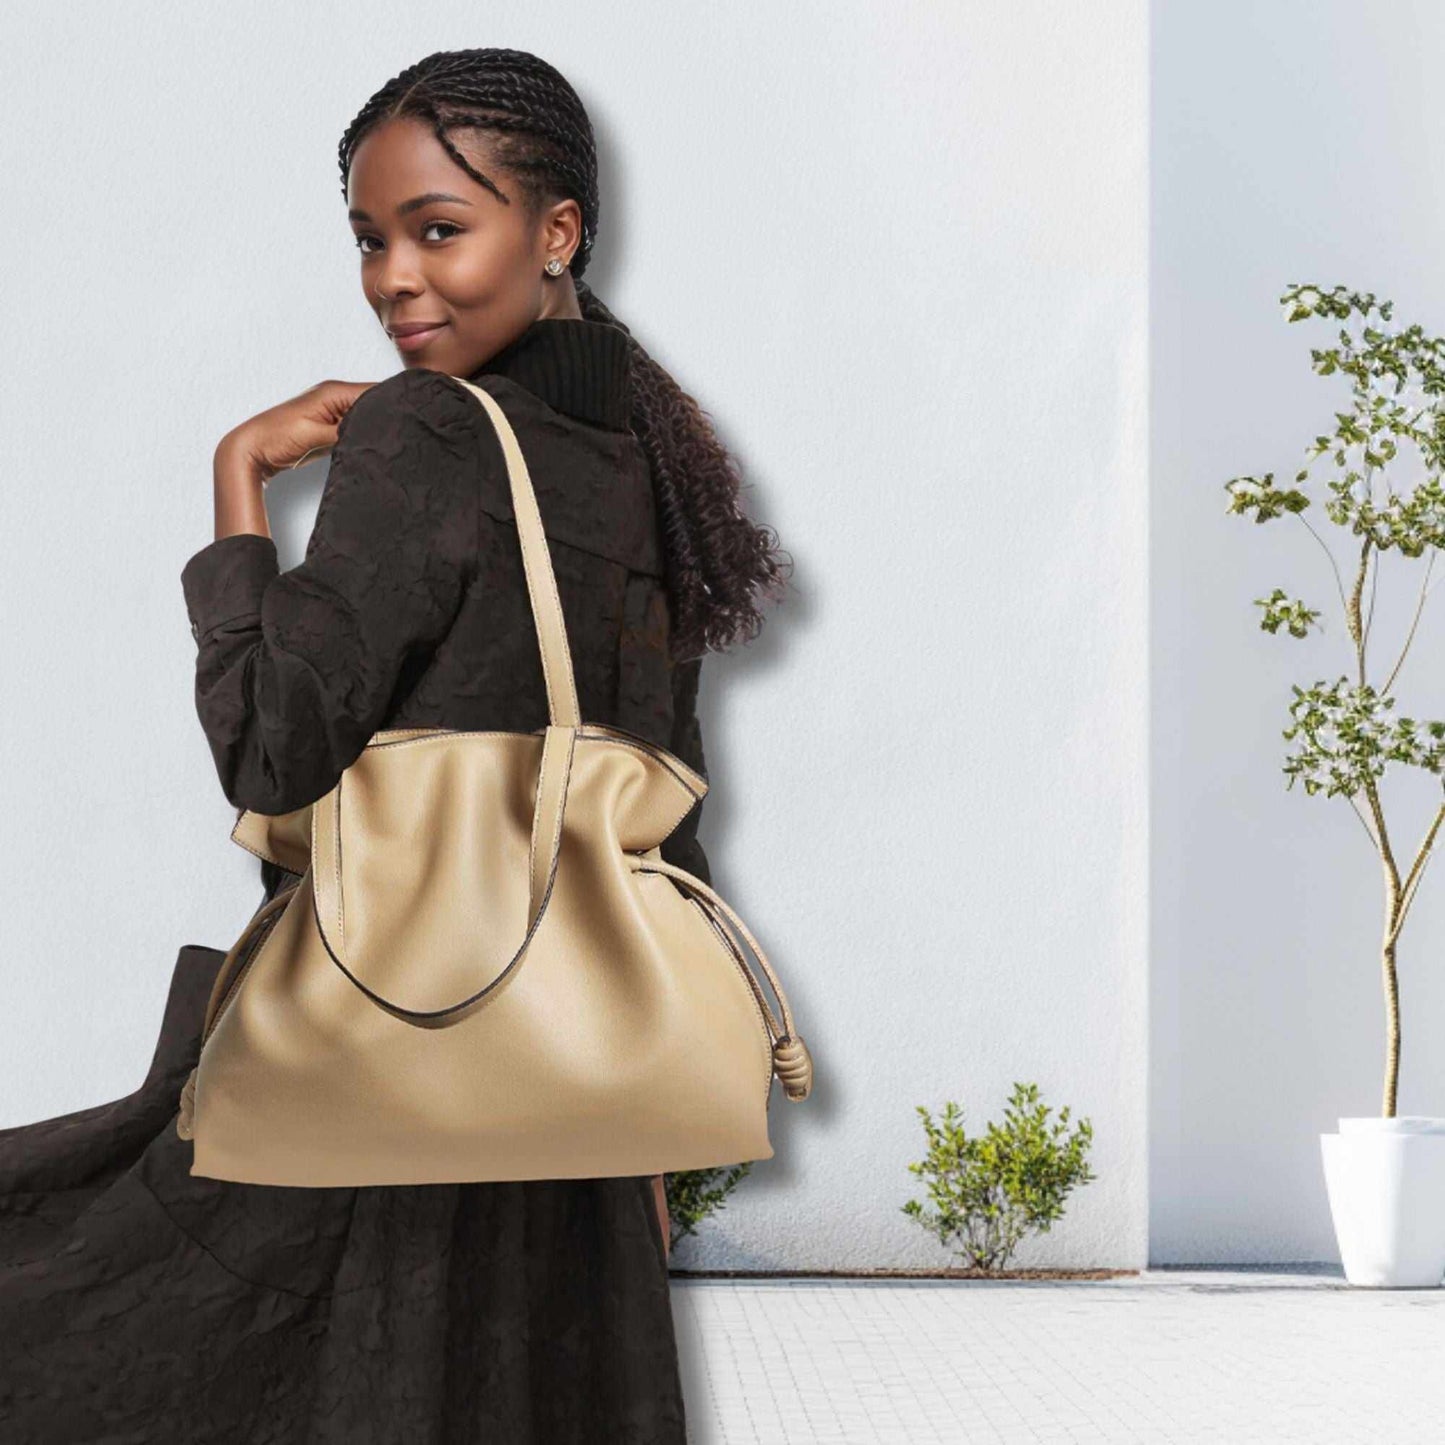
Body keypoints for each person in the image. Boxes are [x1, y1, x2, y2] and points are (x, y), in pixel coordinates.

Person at [0, 46, 791, 1443]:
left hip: (389, 1047)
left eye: (439, 229)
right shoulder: (635, 459)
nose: (393, 280)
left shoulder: (424, 433)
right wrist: (661, 1115)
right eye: (371, 239)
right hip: (574, 1088)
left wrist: (239, 480)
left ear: (557, 233)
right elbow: (658, 798)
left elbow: (270, 747)